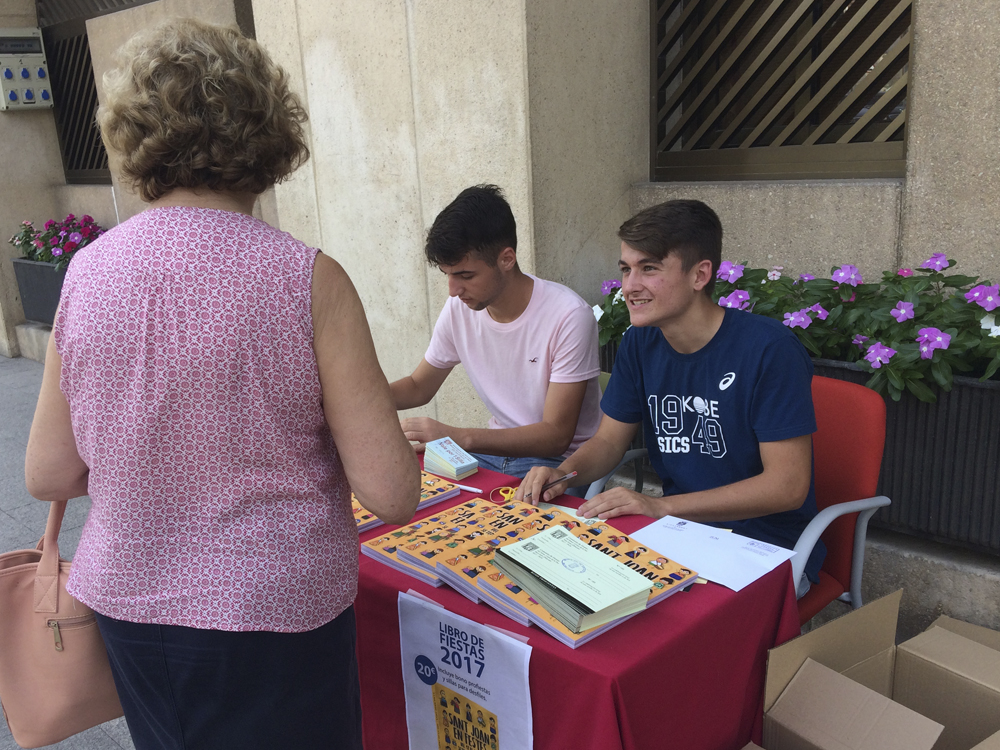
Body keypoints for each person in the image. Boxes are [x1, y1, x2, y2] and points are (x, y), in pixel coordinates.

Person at [23, 20, 419, 750]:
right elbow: (392, 492)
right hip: (276, 613)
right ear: (267, 132)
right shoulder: (306, 278)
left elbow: (48, 470)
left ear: (133, 135)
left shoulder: (86, 275)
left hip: (131, 603)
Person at [516, 199, 825, 586]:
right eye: (626, 269)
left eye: (649, 268)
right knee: (565, 585)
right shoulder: (639, 342)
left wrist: (660, 506)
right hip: (678, 535)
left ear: (700, 275)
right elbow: (610, 442)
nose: (630, 286)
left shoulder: (769, 349)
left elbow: (787, 487)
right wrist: (563, 473)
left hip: (766, 546)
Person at [390, 185, 602, 480]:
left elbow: (556, 436)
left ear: (507, 259)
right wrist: (353, 399)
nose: (453, 290)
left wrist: (458, 437)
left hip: (556, 464)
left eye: (465, 275)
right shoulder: (459, 308)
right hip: (491, 454)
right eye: (447, 275)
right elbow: (418, 386)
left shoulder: (569, 315)